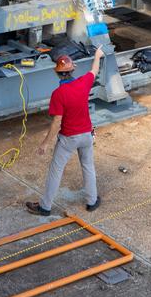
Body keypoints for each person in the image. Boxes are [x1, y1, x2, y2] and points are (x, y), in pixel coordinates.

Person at [27, 47, 104, 216]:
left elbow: (57, 121)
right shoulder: (83, 83)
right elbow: (94, 69)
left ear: (57, 73)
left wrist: (45, 143)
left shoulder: (58, 94)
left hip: (69, 138)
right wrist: (97, 55)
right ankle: (92, 202)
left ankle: (45, 207)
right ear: (73, 68)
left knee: (56, 171)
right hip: (86, 135)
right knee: (88, 166)